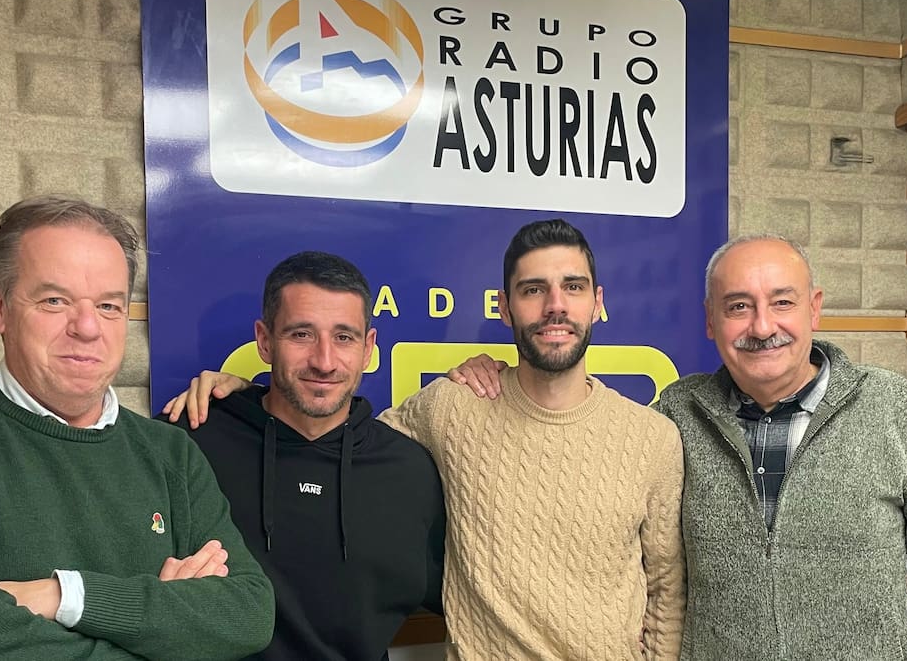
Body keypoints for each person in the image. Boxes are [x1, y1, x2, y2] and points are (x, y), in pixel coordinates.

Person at [453, 234, 907, 660]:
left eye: (781, 302)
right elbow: (573, 454)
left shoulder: (895, 410)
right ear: (710, 321)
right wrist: (493, 378)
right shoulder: (674, 417)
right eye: (738, 306)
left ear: (814, 309)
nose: (762, 326)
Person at [172, 220, 686, 659]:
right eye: (533, 290)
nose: (555, 306)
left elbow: (667, 590)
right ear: (504, 308)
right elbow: (324, 425)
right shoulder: (452, 408)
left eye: (573, 286)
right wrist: (243, 396)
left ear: (597, 303)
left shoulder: (653, 438)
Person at [0, 251, 445, 660]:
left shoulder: (410, 470)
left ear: (369, 347)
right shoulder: (188, 439)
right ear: (264, 341)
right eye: (300, 334)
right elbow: (72, 510)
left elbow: (471, 591)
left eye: (344, 337)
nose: (324, 360)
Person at [0, 196, 275, 661]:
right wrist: (168, 628)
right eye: (54, 301)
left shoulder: (171, 453)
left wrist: (64, 595)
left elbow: (248, 614)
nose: (87, 327)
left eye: (108, 305)